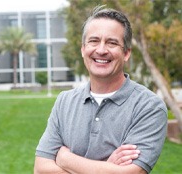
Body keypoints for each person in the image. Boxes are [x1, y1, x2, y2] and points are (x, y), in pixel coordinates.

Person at [34, 6, 167, 174]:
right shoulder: (64, 101)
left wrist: (65, 159)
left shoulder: (149, 107)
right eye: (94, 41)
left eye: (112, 43)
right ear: (83, 50)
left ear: (126, 53)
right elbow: (40, 169)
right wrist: (106, 168)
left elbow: (132, 173)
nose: (101, 50)